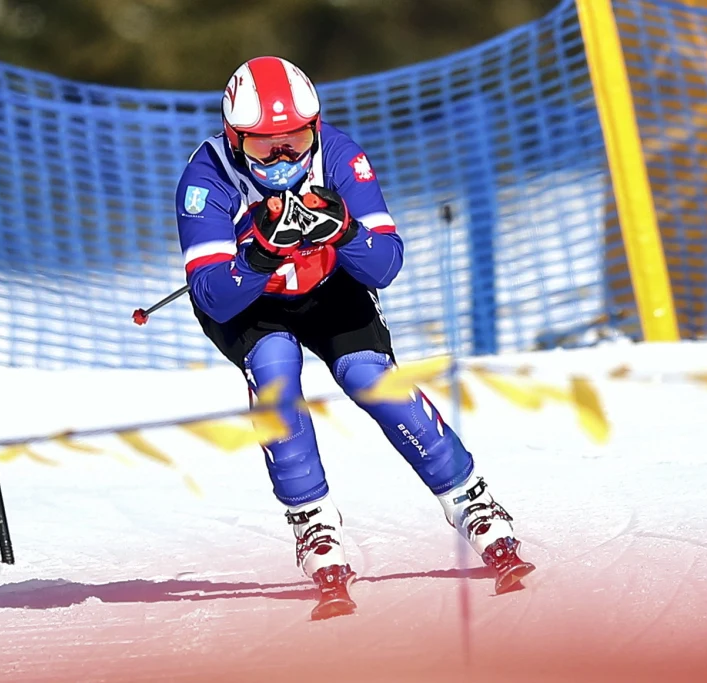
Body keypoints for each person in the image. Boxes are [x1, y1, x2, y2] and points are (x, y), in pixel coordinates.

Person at [174, 56, 534, 618]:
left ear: (315, 127)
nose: (283, 157)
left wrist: (344, 231)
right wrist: (259, 255)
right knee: (274, 369)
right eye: (265, 146)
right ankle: (313, 525)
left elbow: (385, 265)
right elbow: (214, 295)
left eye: (294, 139)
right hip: (250, 303)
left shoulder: (340, 155)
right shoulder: (206, 178)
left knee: (370, 378)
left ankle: (473, 503)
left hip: (327, 288)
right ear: (233, 136)